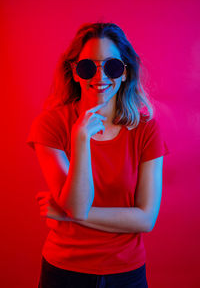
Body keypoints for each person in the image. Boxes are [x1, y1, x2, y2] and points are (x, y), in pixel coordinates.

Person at [26, 22, 170, 288]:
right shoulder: (50, 125)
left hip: (127, 271)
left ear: (125, 72)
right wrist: (81, 138)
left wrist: (68, 214)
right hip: (64, 271)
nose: (100, 76)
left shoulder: (145, 129)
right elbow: (78, 204)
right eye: (88, 66)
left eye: (112, 66)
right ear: (75, 72)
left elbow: (146, 218)